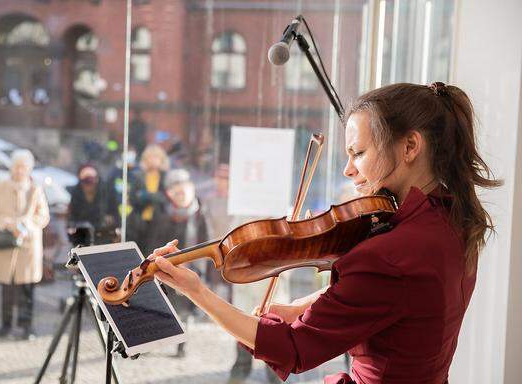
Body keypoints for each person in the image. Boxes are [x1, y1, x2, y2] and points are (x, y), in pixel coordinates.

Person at [148, 82, 501, 384]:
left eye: (358, 153)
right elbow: (389, 299)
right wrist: (298, 307)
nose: (348, 170)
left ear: (410, 146)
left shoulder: (389, 254)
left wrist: (194, 290)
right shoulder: (451, 217)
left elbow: (293, 349)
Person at [0, 149, 50, 340]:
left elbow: (43, 216)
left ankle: (27, 326)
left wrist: (26, 224)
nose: (20, 170)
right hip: (5, 244)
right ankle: (5, 324)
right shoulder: (0, 186)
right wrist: (7, 223)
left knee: (27, 288)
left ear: (29, 169)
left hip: (27, 246)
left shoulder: (35, 189)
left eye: (24, 167)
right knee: (6, 287)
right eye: (17, 166)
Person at [146, 169, 209, 357]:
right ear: (170, 194)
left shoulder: (199, 213)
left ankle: (182, 344)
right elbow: (154, 240)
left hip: (191, 266)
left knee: (185, 309)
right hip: (165, 265)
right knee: (162, 305)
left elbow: (205, 241)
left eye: (184, 190)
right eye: (177, 191)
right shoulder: (162, 213)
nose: (181, 195)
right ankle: (151, 341)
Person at [130, 144, 170, 253]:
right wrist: (154, 196)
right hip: (139, 221)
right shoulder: (137, 176)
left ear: (161, 160)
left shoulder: (166, 176)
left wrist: (145, 195)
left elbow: (165, 198)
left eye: (156, 157)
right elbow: (133, 199)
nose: (153, 160)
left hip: (158, 221)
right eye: (150, 157)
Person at [67, 163, 113, 245]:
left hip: (102, 233)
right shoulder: (76, 193)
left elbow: (112, 211)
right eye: (86, 182)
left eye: (91, 181)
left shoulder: (105, 192)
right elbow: (72, 215)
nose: (89, 186)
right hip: (82, 235)